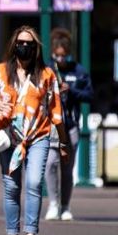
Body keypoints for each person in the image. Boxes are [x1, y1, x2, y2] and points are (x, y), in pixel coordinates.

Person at [0, 26, 69, 235]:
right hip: (8, 138)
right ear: (13, 45)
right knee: (12, 187)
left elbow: (56, 110)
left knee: (33, 183)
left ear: (36, 48)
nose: (25, 47)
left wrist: (63, 141)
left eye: (30, 44)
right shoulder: (0, 72)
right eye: (21, 42)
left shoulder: (46, 75)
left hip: (38, 136)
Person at [44, 30, 93, 221]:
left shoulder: (78, 71)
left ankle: (65, 205)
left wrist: (71, 90)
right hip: (51, 126)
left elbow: (89, 95)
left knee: (67, 167)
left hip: (70, 125)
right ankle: (53, 204)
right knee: (50, 164)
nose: (61, 59)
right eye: (57, 55)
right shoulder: (47, 70)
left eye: (64, 55)